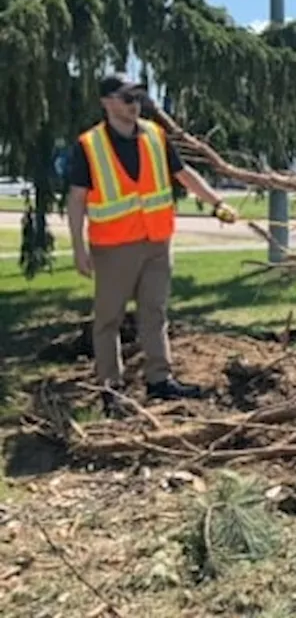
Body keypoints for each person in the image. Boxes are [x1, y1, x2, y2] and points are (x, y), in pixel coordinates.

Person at [66, 73, 238, 407]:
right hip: (113, 247)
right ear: (107, 102)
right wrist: (77, 247)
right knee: (108, 319)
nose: (135, 105)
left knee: (154, 313)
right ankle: (110, 389)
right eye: (127, 98)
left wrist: (217, 203)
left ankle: (160, 380)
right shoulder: (89, 145)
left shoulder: (156, 135)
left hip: (157, 242)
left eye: (138, 98)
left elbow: (184, 174)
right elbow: (77, 199)